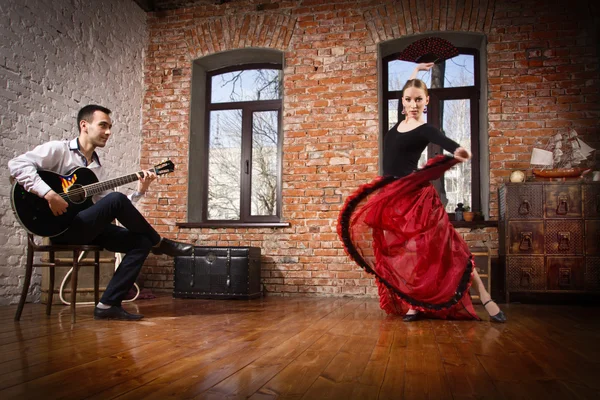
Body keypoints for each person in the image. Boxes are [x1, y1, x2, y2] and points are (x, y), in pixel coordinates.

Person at [338, 63, 506, 323]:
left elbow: (453, 146)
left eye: (418, 100)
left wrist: (459, 155)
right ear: (402, 101)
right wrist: (415, 72)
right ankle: (413, 304)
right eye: (408, 99)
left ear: (426, 101)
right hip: (393, 197)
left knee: (448, 248)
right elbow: (403, 95)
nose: (412, 104)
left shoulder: (426, 129)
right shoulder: (399, 120)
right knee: (407, 253)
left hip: (416, 198)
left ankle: (485, 295)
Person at [8, 104, 193, 321]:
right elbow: (17, 165)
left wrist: (140, 191)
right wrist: (50, 194)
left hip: (84, 226)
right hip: (58, 228)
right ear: (84, 125)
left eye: (110, 127)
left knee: (140, 242)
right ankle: (159, 242)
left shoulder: (96, 168)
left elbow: (113, 207)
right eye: (103, 125)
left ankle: (108, 305)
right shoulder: (59, 150)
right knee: (117, 200)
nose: (108, 132)